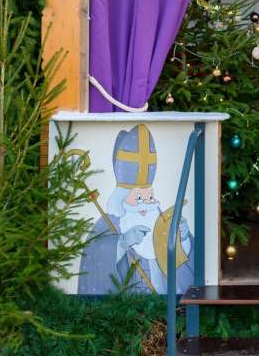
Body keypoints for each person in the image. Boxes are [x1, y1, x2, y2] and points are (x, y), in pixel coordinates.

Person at [77, 124, 194, 295]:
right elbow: (93, 258)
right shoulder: (108, 224)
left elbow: (185, 268)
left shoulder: (162, 221)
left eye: (149, 198)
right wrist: (121, 243)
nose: (145, 206)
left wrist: (183, 238)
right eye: (138, 198)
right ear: (122, 198)